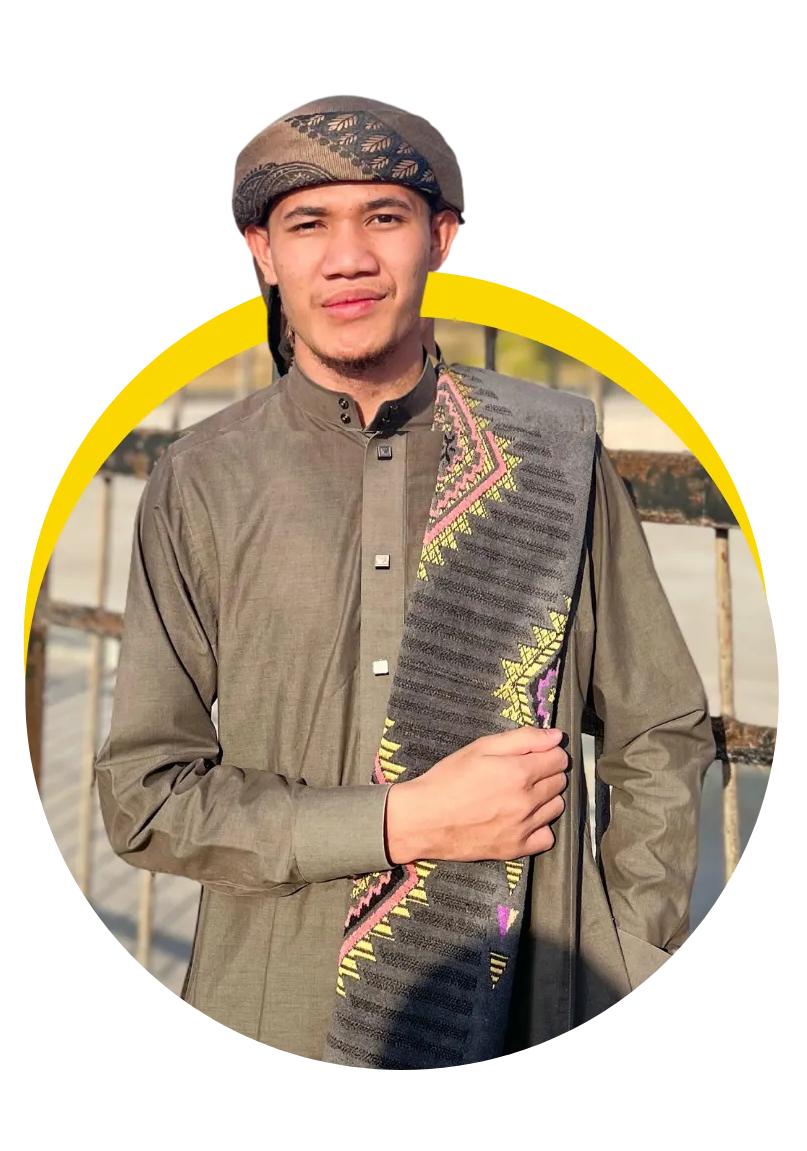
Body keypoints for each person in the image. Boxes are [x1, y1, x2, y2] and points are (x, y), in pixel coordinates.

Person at [95, 95, 715, 1070]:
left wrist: (625, 952)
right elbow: (145, 795)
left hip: (527, 1002)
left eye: (383, 216)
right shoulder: (203, 480)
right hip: (272, 1006)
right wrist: (402, 820)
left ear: (441, 236)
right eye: (308, 222)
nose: (348, 257)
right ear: (262, 250)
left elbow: (659, 729)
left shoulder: (549, 453)